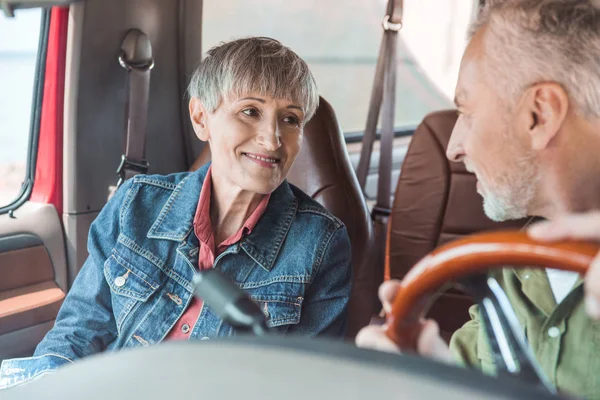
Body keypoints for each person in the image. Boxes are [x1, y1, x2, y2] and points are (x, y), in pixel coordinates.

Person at [0, 37, 352, 389]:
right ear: (201, 118)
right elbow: (77, 335)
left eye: (290, 119)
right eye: (251, 111)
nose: (272, 139)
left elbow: (304, 386)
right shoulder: (135, 204)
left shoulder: (321, 244)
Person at [356, 0, 600, 397]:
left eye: (466, 112)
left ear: (538, 114)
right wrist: (433, 369)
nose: (454, 147)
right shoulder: (510, 275)